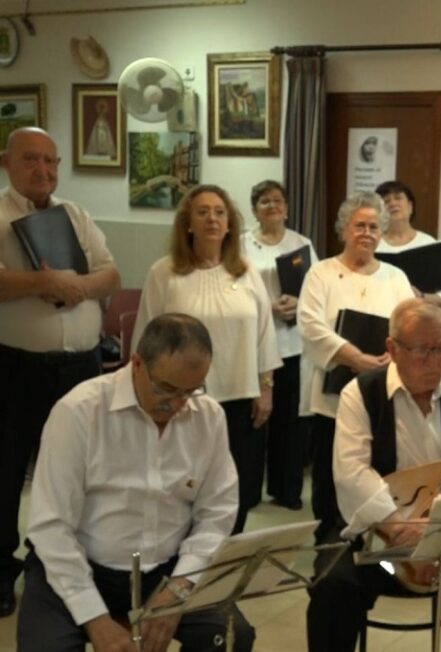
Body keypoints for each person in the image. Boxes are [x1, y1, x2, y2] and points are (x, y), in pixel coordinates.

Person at [17, 314, 254, 652]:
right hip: (79, 562)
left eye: (191, 391)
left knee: (232, 636)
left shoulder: (208, 415)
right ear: (137, 363)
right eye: (166, 389)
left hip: (166, 568)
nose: (176, 405)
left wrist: (179, 587)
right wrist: (96, 619)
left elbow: (217, 513)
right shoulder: (79, 411)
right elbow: (50, 528)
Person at [306, 299, 441, 652]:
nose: (436, 362)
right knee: (332, 588)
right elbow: (351, 472)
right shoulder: (361, 393)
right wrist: (402, 531)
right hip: (377, 532)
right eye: (422, 351)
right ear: (392, 349)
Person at [0, 127, 121, 617]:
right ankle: (0, 573)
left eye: (51, 161)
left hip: (80, 367)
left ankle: (57, 568)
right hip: (14, 368)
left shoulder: (75, 215)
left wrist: (71, 287)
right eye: (32, 160)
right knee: (6, 472)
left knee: (78, 472)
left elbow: (111, 274)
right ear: (7, 162)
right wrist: (41, 282)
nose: (44, 171)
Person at [133, 184, 281, 533]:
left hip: (241, 399)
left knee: (238, 488)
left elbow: (264, 335)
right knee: (186, 486)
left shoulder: (246, 273)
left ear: (229, 224)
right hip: (181, 400)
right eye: (202, 212)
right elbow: (145, 338)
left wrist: (266, 387)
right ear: (188, 223)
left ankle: (226, 563)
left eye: (219, 212)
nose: (212, 219)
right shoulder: (164, 273)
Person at [298, 191, 414, 539]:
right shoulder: (321, 274)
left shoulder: (395, 277)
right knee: (330, 476)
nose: (367, 233)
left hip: (380, 393)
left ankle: (374, 540)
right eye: (359, 225)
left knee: (374, 474)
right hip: (332, 395)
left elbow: (408, 323)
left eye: (374, 227)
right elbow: (310, 325)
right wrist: (355, 358)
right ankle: (328, 541)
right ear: (343, 230)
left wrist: (388, 358)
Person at [241, 180, 318, 511]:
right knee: (254, 419)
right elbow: (235, 286)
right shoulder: (241, 245)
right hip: (255, 342)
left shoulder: (302, 244)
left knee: (289, 420)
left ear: (287, 208)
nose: (272, 206)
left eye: (278, 201)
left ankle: (286, 490)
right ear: (254, 209)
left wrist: (299, 303)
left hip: (292, 342)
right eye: (264, 201)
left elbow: (317, 289)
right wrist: (267, 305)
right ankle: (248, 492)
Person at [375, 179, 441, 307]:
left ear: (410, 206)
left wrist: (421, 297)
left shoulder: (429, 244)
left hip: (421, 316)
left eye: (398, 198)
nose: (393, 203)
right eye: (386, 201)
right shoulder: (375, 245)